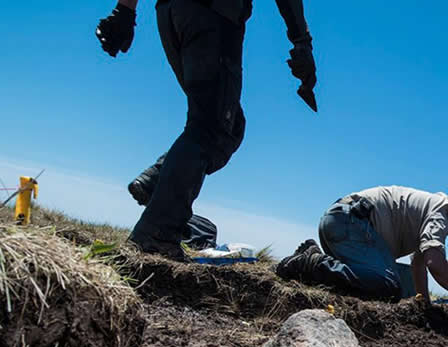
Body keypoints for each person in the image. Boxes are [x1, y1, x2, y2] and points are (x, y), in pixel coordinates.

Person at [95, 0, 316, 261]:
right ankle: (157, 235)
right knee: (211, 128)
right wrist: (301, 40)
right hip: (214, 15)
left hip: (171, 14)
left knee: (228, 125)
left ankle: (158, 184)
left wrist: (125, 9)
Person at [275, 186, 448, 335]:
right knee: (388, 285)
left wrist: (424, 303)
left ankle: (313, 256)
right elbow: (435, 264)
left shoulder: (434, 209)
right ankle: (312, 263)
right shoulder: (440, 213)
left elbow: (419, 261)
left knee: (384, 282)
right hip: (350, 223)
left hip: (340, 223)